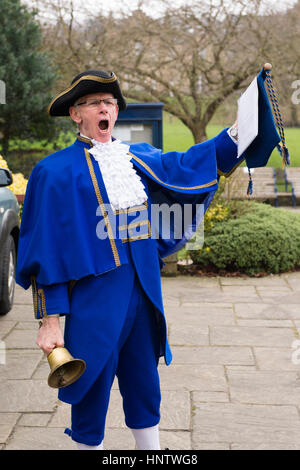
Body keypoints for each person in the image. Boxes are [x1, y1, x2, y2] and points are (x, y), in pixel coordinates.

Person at [15, 69, 280, 450]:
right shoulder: (51, 173)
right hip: (93, 299)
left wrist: (238, 132)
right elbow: (43, 253)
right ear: (76, 114)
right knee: (90, 391)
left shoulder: (137, 158)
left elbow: (189, 166)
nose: (106, 109)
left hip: (144, 293)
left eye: (111, 103)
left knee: (144, 385)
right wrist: (50, 320)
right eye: (95, 104)